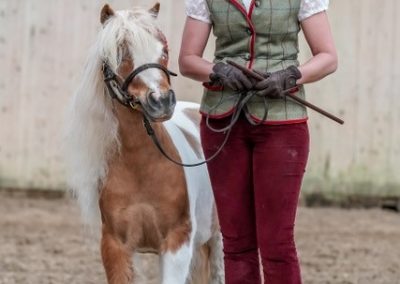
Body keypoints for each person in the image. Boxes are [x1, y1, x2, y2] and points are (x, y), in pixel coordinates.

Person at [179, 0, 337, 283]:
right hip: (223, 123)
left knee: (277, 242)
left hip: (283, 124)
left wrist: (291, 76)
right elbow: (188, 60)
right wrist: (218, 71)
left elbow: (327, 57)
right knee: (236, 242)